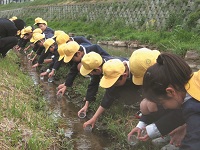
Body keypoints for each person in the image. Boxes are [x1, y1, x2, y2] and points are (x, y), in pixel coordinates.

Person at [127, 48, 186, 148]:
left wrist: (153, 130)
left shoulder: (189, 100)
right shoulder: (174, 87)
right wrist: (141, 125)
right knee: (146, 104)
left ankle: (170, 131)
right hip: (186, 119)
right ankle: (170, 131)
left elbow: (182, 114)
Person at [142, 52, 200, 149]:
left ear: (170, 92)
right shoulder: (195, 80)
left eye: (162, 103)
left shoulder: (193, 108)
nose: (164, 107)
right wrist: (187, 127)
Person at [83, 59, 142, 129]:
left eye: (115, 83)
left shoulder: (139, 73)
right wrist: (94, 118)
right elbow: (108, 97)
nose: (114, 86)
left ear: (124, 75)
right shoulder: (118, 72)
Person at [77, 51, 114, 117]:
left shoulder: (111, 71)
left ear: (97, 70)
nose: (90, 74)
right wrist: (86, 105)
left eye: (90, 72)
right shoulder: (98, 64)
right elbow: (93, 85)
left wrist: (94, 117)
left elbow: (109, 94)